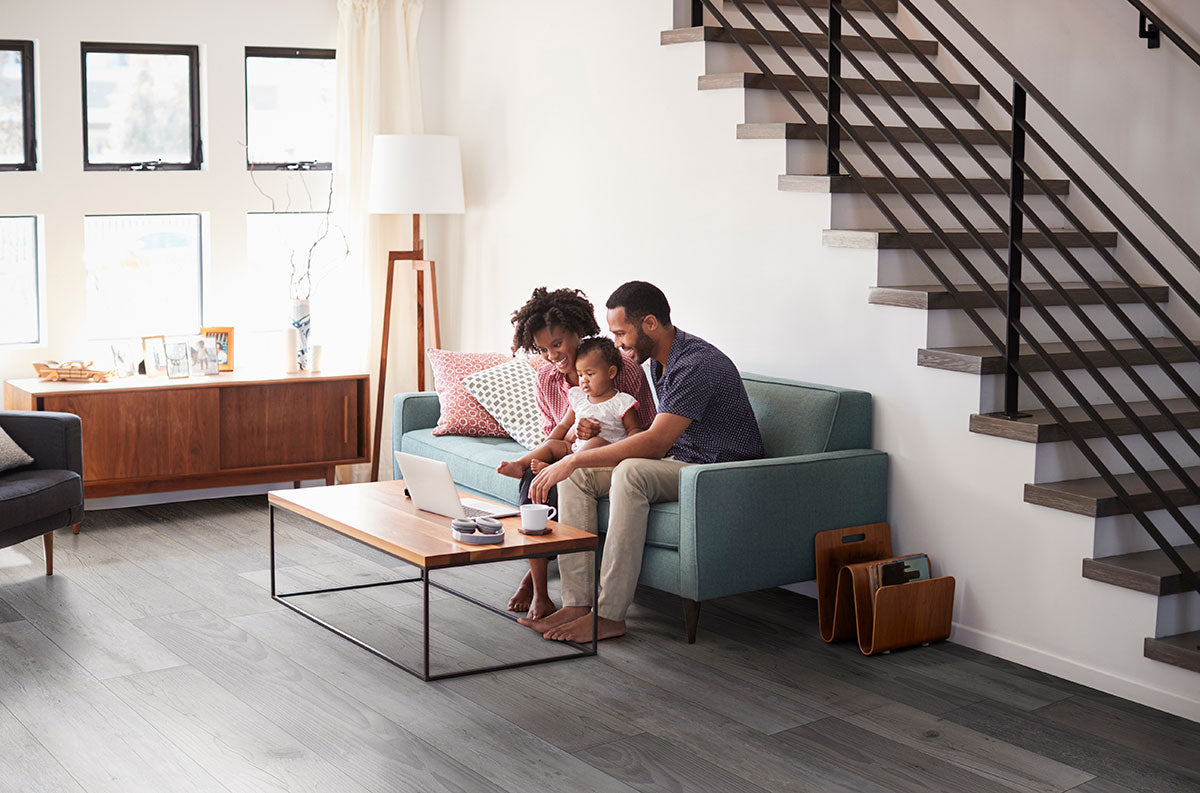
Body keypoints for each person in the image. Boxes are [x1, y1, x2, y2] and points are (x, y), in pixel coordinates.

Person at [522, 281, 764, 643]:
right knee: (578, 477)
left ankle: (609, 616)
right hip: (683, 462)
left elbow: (653, 443)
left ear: (649, 323)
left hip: (718, 471)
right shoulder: (661, 363)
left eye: (621, 333)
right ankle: (577, 604)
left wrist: (570, 461)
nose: (617, 343)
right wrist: (574, 460)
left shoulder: (695, 363)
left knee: (629, 472)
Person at [501, 288, 657, 621]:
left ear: (578, 332)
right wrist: (566, 442)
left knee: (561, 476)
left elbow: (641, 430)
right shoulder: (545, 376)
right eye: (543, 349)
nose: (552, 356)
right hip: (568, 450)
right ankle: (541, 593)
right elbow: (555, 433)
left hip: (611, 453)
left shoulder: (622, 368)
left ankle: (535, 575)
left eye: (557, 345)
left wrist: (588, 439)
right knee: (533, 478)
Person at [498, 337, 643, 479]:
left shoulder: (622, 402)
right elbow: (563, 425)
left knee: (596, 442)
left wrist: (627, 451)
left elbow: (634, 430)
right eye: (580, 375)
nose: (584, 380)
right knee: (553, 445)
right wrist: (547, 444)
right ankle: (520, 464)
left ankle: (555, 468)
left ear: (611, 372)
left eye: (590, 374)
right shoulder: (579, 397)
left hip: (606, 454)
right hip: (576, 449)